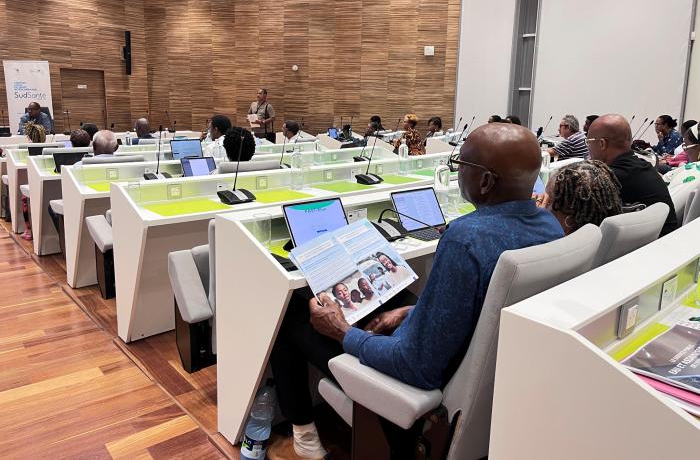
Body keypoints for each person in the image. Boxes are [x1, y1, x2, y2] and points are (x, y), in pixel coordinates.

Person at [267, 123, 564, 460]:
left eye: (460, 164)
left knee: (291, 314)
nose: (457, 172)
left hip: (421, 381)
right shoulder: (550, 226)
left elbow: (415, 366)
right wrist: (411, 312)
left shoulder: (466, 239)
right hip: (484, 372)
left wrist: (342, 331)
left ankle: (305, 440)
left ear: (485, 181)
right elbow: (485, 305)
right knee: (393, 300)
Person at [586, 114, 677, 236]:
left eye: (588, 142)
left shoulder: (610, 177)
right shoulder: (643, 166)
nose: (588, 147)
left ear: (602, 144)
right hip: (664, 241)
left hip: (651, 245)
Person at [536, 160, 622, 234]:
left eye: (548, 201)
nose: (542, 203)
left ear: (569, 220)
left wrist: (537, 220)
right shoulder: (609, 239)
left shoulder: (544, 240)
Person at [19, 122, 47, 241]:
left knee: (24, 197)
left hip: (35, 185)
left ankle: (28, 230)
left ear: (29, 136)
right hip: (47, 183)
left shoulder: (28, 152)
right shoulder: (51, 149)